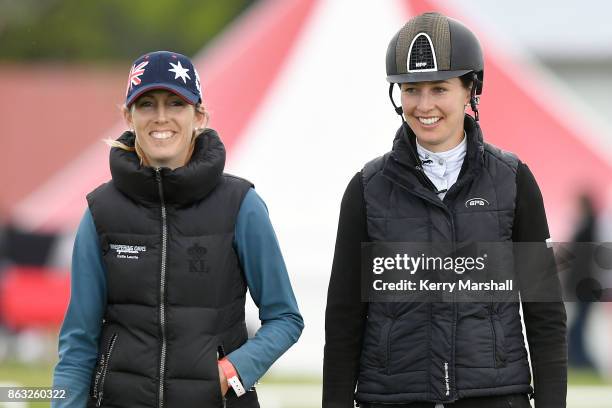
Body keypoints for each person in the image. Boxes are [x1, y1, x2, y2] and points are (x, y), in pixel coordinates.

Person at [323, 12, 567, 408]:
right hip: (393, 398)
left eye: (439, 89)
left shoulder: (514, 179)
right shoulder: (365, 189)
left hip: (494, 396)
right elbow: (344, 319)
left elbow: (545, 310)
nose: (424, 105)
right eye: (411, 90)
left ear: (471, 89)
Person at [52, 51, 303, 408]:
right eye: (146, 105)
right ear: (128, 115)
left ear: (199, 114)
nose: (161, 117)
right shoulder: (100, 213)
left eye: (175, 103)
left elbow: (285, 319)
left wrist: (230, 373)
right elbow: (78, 344)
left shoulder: (241, 205)